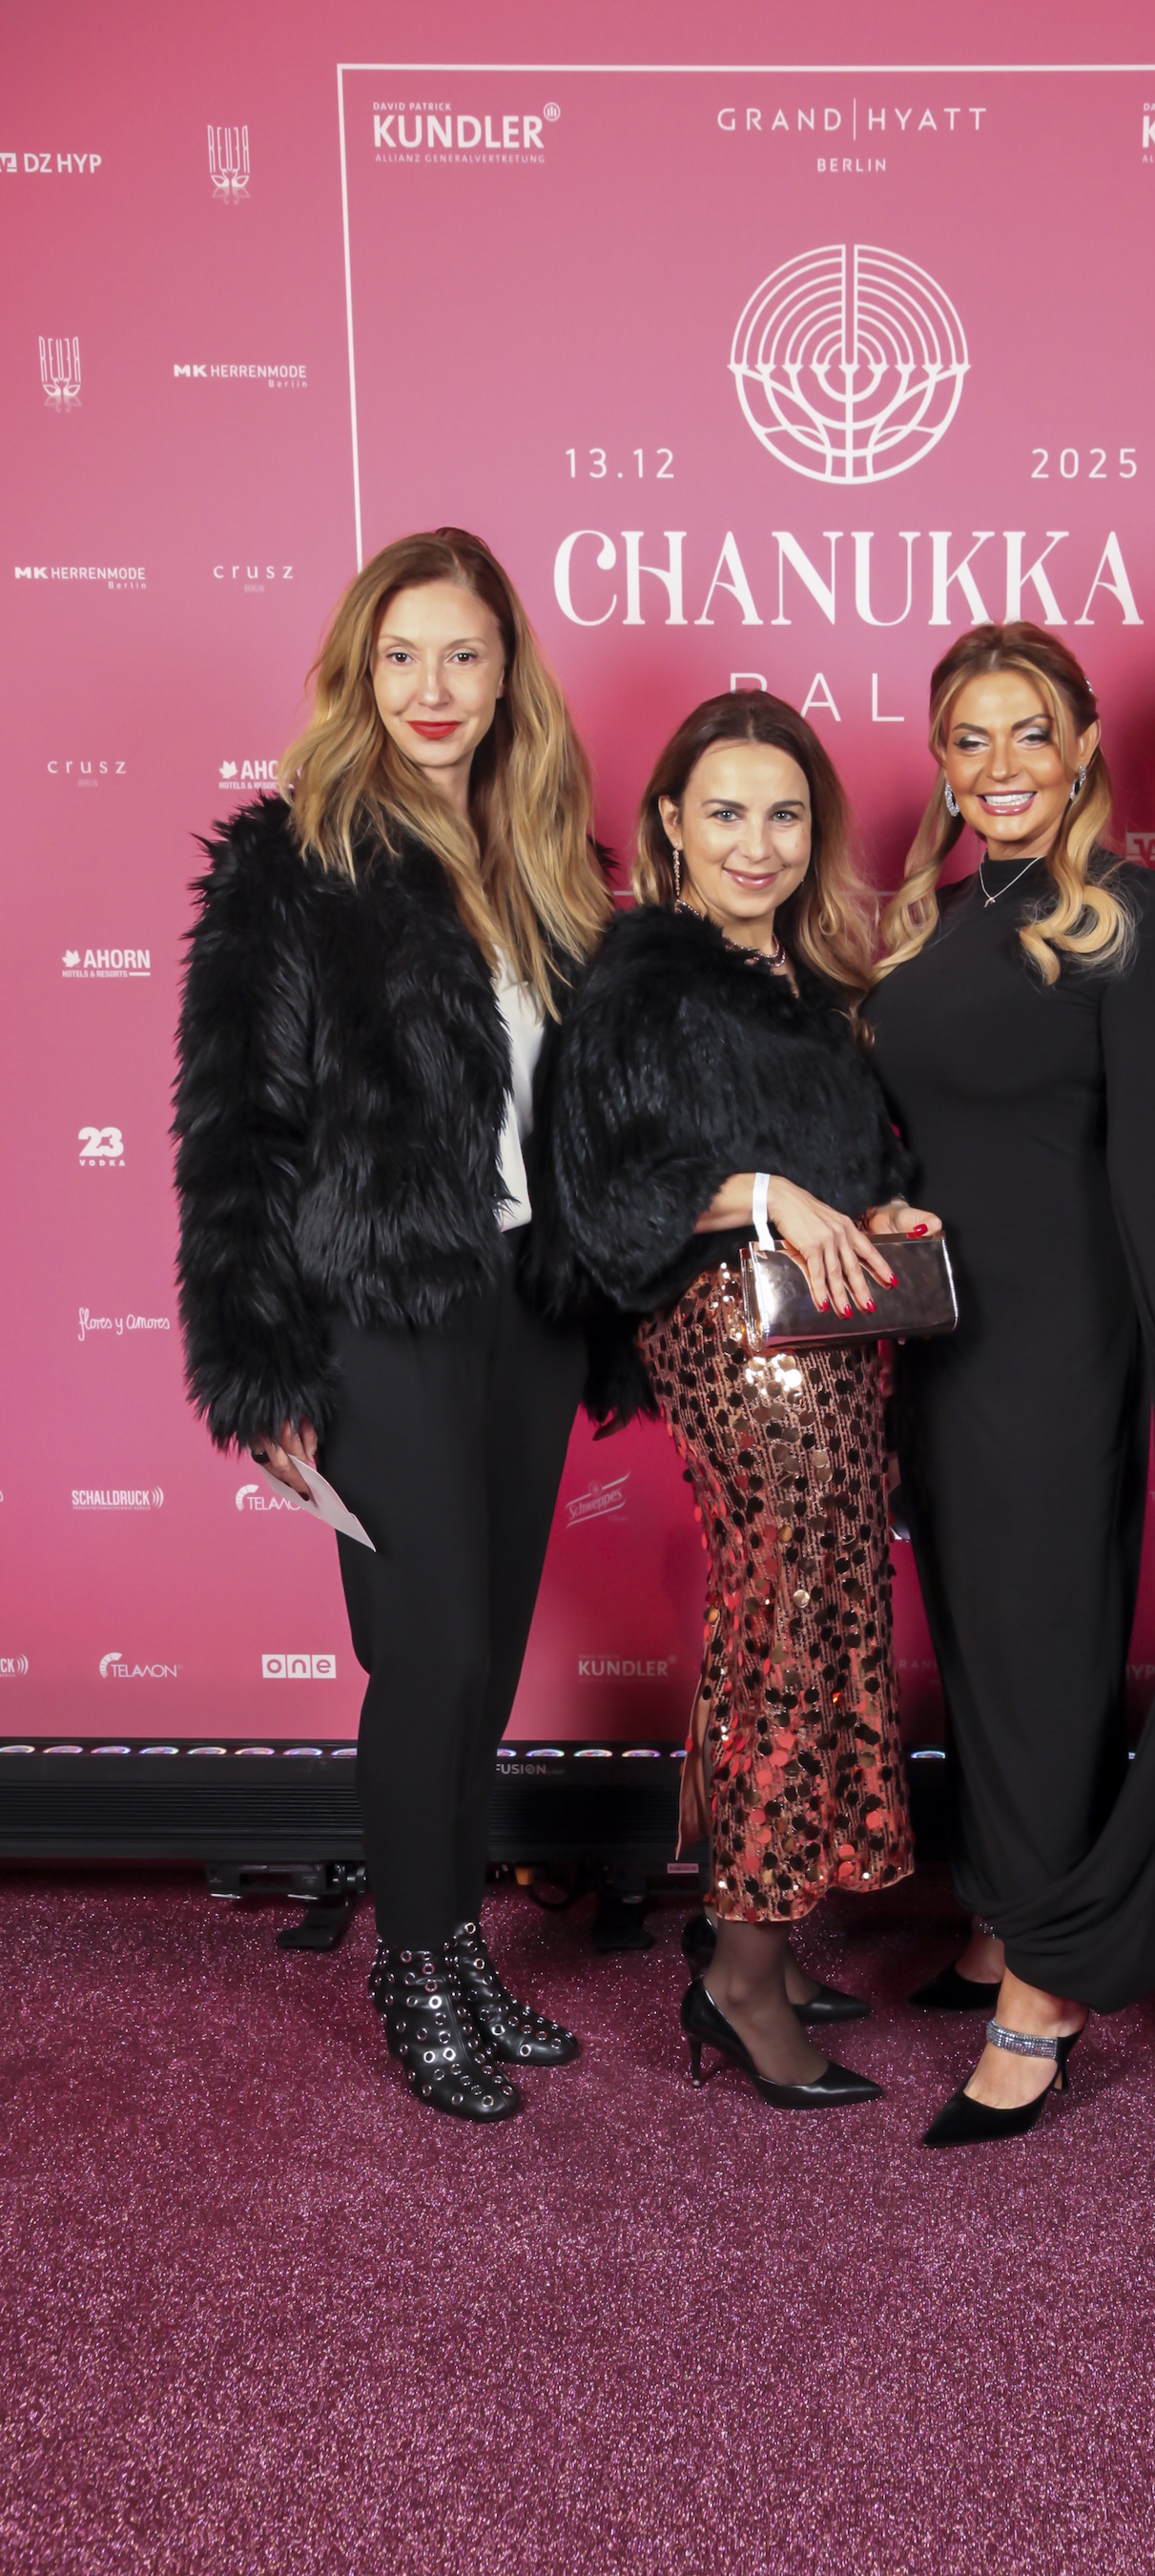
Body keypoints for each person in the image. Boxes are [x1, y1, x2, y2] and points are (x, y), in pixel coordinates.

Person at [174, 528, 611, 2123]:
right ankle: (414, 1971)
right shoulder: (291, 863)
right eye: (403, 655)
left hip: (528, 1301)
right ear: (361, 672)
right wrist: (260, 1358)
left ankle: (459, 1944)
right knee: (428, 1653)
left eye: (464, 655)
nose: (433, 688)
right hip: (381, 1304)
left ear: (507, 677)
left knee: (483, 1657)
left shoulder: (549, 857)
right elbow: (237, 1133)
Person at [864, 624, 1155, 2148]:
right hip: (941, 1336)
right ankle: (1003, 1910)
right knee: (977, 1636)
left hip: (1061, 1338)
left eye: (1032, 732)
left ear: (1085, 745)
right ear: (942, 761)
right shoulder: (929, 920)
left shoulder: (1128, 914)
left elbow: (1154, 1147)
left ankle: (1044, 1997)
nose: (1003, 765)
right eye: (971, 738)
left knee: (1045, 1645)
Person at [556, 692, 932, 2110]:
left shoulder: (812, 983)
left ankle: (751, 1932)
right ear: (671, 822)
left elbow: (845, 1169)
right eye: (725, 813)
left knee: (814, 1611)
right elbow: (606, 1201)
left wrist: (883, 1211)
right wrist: (768, 1193)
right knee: (789, 1622)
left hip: (832, 1341)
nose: (757, 844)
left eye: (783, 815)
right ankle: (743, 1982)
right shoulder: (639, 983)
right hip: (731, 1336)